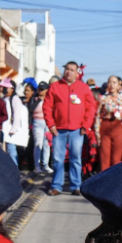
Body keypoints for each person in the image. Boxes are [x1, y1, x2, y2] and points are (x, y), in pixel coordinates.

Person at [44, 61, 96, 196]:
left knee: (75, 159)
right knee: (57, 159)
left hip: (77, 130)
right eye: (67, 69)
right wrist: (51, 125)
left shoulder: (84, 88)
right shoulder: (55, 87)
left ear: (77, 72)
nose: (69, 72)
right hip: (58, 129)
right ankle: (56, 186)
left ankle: (76, 186)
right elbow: (47, 106)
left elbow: (91, 108)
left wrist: (85, 125)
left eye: (72, 70)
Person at [94, 75, 122, 171]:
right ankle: (104, 183)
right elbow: (98, 116)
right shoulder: (103, 99)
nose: (111, 85)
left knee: (116, 159)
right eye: (109, 82)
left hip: (118, 129)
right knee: (104, 158)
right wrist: (97, 132)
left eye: (114, 82)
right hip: (105, 128)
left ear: (119, 85)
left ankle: (116, 183)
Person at [27, 82, 52, 174]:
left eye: (42, 89)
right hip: (37, 122)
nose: (40, 91)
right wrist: (39, 100)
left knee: (46, 144)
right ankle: (37, 165)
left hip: (48, 122)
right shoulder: (34, 99)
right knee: (38, 143)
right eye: (39, 89)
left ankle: (45, 164)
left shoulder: (50, 99)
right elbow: (31, 109)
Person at [0, 78, 25, 165]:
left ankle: (14, 169)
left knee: (11, 151)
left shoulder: (15, 99)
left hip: (10, 129)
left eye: (6, 87)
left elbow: (17, 114)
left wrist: (14, 129)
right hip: (5, 128)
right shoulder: (5, 98)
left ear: (12, 89)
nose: (4, 89)